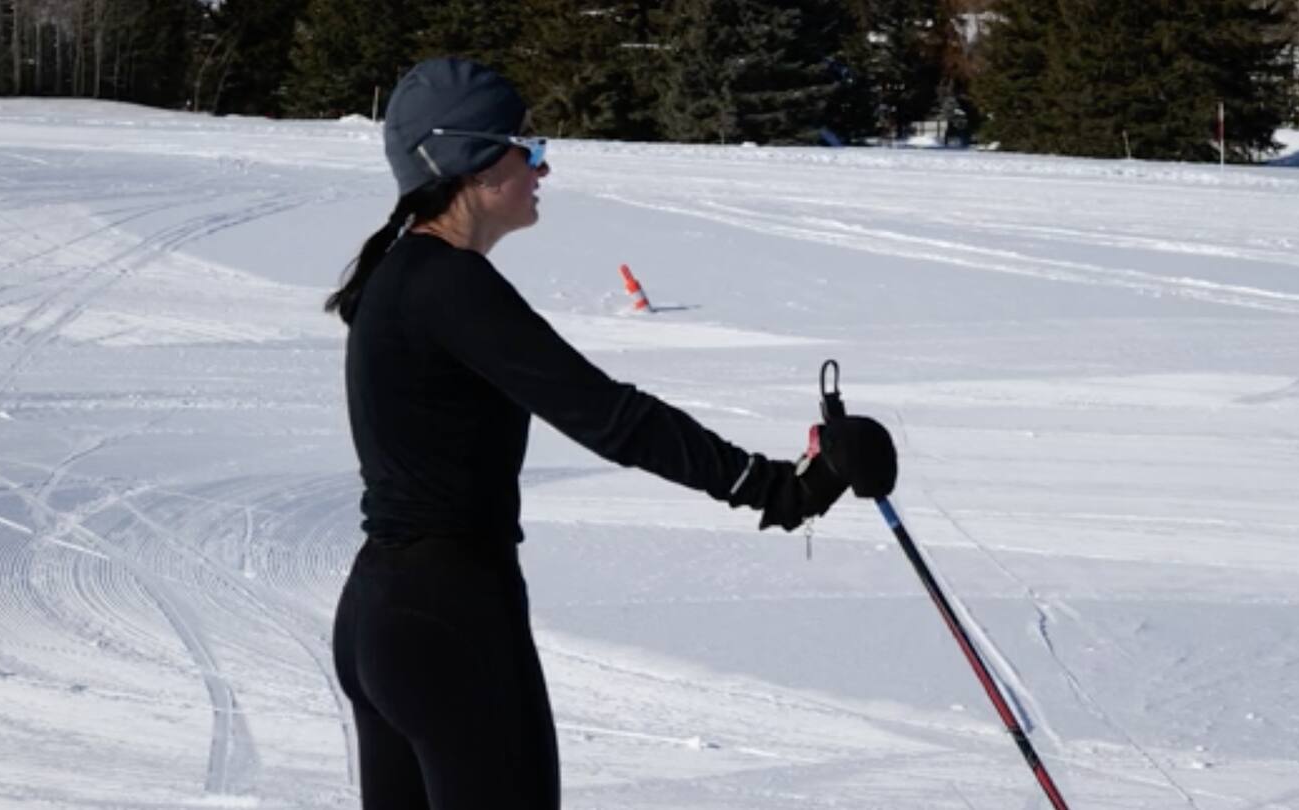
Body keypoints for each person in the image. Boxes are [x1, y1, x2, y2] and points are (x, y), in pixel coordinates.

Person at [327, 58, 895, 810]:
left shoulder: (402, 274)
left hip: (384, 618)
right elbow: (609, 416)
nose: (542, 166)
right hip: (447, 619)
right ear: (472, 161)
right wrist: (780, 487)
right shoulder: (448, 285)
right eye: (526, 148)